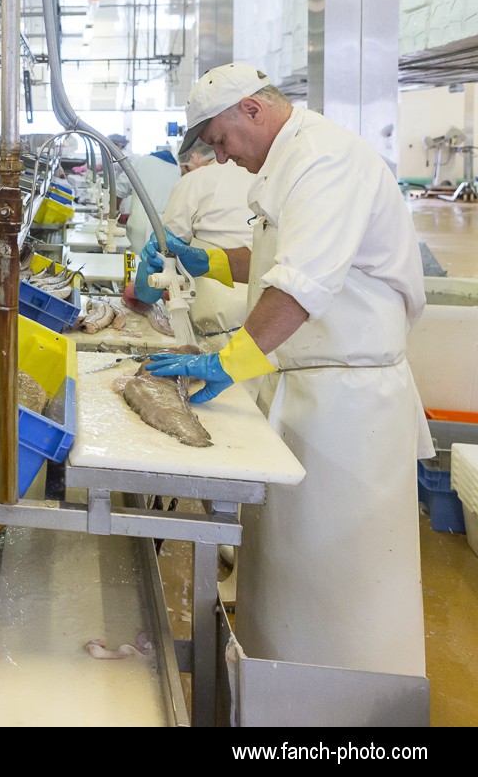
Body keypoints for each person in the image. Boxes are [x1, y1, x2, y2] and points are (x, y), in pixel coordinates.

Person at [142, 62, 434, 682]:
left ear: (252, 109)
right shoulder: (289, 160)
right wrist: (208, 260)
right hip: (305, 389)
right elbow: (276, 260)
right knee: (287, 573)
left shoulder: (325, 159)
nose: (221, 157)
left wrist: (226, 361)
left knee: (341, 587)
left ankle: (347, 711)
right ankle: (273, 692)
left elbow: (301, 286)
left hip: (349, 409)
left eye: (221, 140)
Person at [133, 143, 257, 339]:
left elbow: (157, 269)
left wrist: (140, 289)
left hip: (221, 328)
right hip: (277, 322)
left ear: (195, 156)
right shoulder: (266, 177)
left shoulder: (196, 181)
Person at [115, 146, 181, 254]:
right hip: (166, 229)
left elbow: (118, 190)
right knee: (159, 260)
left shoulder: (140, 162)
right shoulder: (177, 170)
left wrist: (115, 213)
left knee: (134, 259)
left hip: (140, 224)